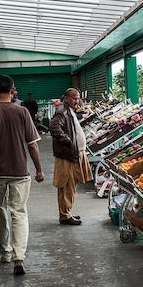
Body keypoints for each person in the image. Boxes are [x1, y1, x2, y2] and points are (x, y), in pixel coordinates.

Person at [0, 75, 44, 275]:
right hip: (20, 172)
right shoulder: (22, 112)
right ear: (13, 90)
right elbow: (33, 145)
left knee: (0, 212)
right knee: (19, 213)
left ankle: (5, 252)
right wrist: (38, 169)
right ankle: (19, 256)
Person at [50, 88, 92, 225]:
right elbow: (54, 128)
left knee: (72, 184)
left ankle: (67, 212)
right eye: (74, 98)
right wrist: (68, 142)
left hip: (73, 153)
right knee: (66, 185)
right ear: (67, 98)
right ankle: (65, 216)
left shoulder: (69, 111)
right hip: (67, 155)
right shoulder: (62, 112)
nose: (77, 100)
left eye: (78, 98)